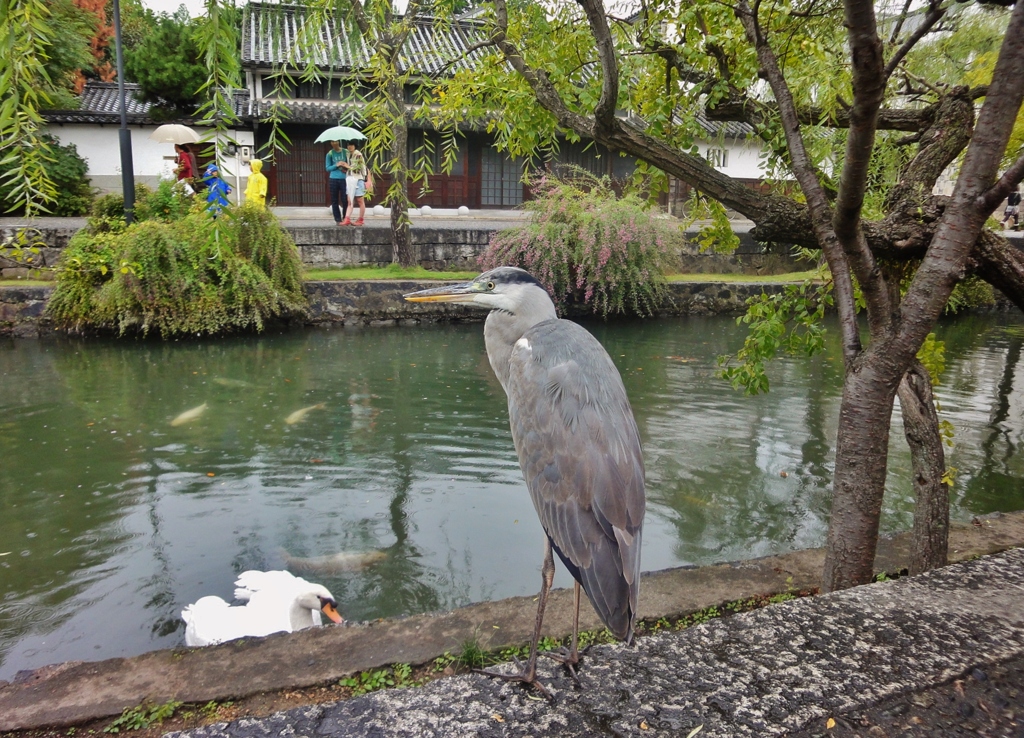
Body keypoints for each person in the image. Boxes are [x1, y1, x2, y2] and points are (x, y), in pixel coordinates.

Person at [340, 140, 370, 226]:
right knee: (349, 201)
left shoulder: (358, 154)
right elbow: (349, 169)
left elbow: (358, 169)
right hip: (350, 179)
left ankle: (360, 219)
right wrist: (344, 165)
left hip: (358, 179)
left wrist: (347, 166)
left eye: (351, 144)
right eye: (348, 145)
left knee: (360, 200)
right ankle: (347, 219)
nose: (349, 146)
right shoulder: (348, 154)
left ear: (355, 146)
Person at [325, 140, 348, 226]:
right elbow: (327, 168)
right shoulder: (330, 154)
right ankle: (337, 219)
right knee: (334, 200)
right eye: (332, 142)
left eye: (336, 141)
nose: (334, 143)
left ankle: (346, 217)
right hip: (333, 178)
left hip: (344, 179)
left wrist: (345, 165)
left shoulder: (346, 152)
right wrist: (337, 165)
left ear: (339, 142)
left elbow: (351, 164)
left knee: (345, 200)